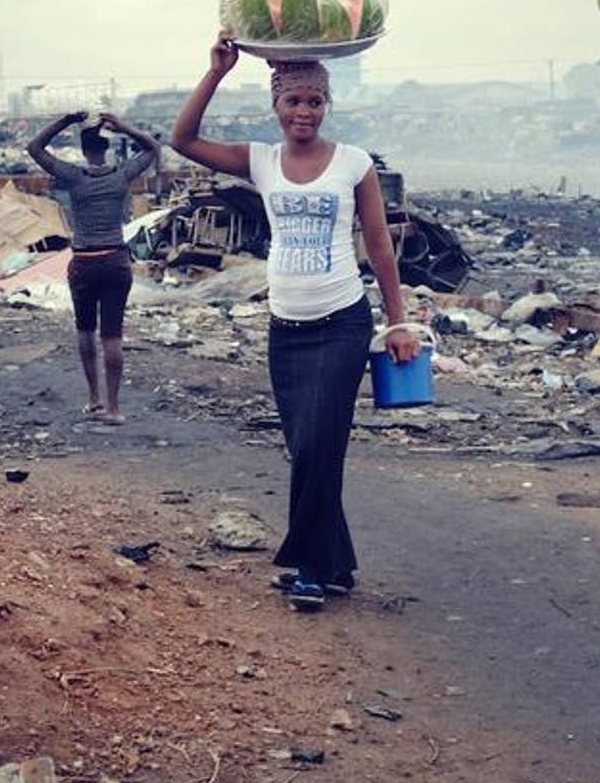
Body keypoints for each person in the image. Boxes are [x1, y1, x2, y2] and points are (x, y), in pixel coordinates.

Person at [170, 30, 420, 612]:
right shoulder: (260, 161)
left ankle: (308, 568)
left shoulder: (354, 164)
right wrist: (216, 71)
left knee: (318, 445)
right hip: (286, 326)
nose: (303, 111)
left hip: (342, 321)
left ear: (325, 105)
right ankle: (337, 562)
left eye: (314, 101)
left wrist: (399, 322)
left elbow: (380, 248)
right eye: (293, 100)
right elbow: (181, 139)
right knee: (305, 446)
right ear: (276, 106)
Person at [27, 109, 160, 425]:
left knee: (86, 332)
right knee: (112, 338)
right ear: (107, 148)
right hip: (115, 261)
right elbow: (153, 148)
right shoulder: (122, 174)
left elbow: (34, 148)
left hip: (84, 262)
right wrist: (125, 126)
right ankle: (114, 409)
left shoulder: (73, 176)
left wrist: (66, 121)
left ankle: (94, 399)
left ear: (84, 150)